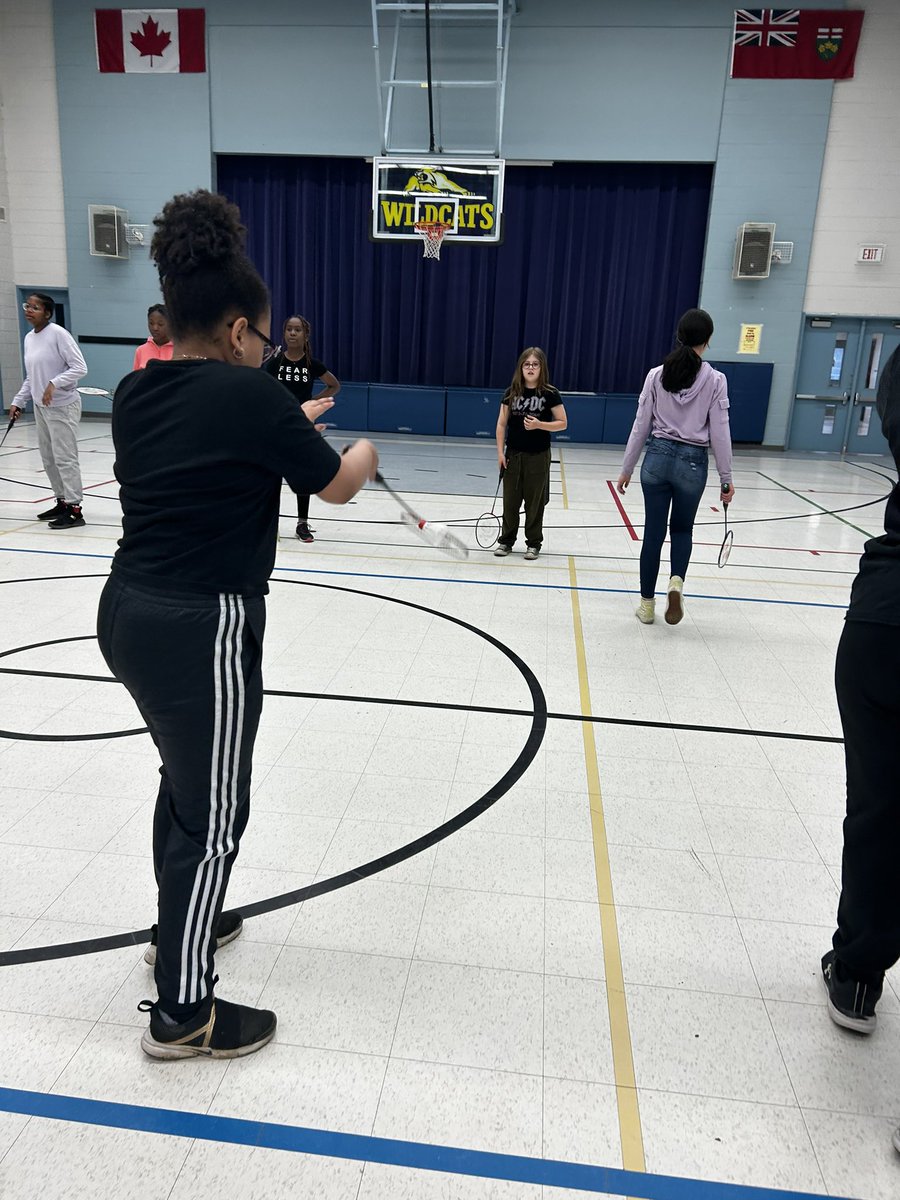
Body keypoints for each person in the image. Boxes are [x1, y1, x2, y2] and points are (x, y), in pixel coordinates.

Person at [96, 189, 378, 1060]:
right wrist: (360, 451)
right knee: (216, 812)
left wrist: (283, 421)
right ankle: (184, 1013)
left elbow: (213, 431)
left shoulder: (138, 393)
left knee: (183, 787)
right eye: (258, 336)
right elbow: (335, 483)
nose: (263, 348)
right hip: (201, 626)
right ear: (234, 330)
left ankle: (182, 925)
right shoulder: (252, 401)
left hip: (128, 614)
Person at [822, 345, 900, 1071]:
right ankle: (857, 967)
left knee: (877, 807)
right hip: (887, 614)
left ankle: (857, 972)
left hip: (886, 614)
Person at [616, 308, 734, 625]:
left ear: (678, 336)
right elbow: (721, 434)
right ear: (707, 340)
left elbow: (641, 425)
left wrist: (627, 468)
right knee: (682, 529)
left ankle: (645, 605)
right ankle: (676, 582)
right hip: (692, 465)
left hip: (656, 459)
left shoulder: (656, 375)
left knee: (653, 534)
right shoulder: (716, 381)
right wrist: (726, 479)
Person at [9, 293, 88, 529]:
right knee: (49, 458)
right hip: (40, 407)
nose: (29, 310)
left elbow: (80, 367)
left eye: (35, 307)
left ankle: (75, 510)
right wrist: (18, 401)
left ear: (47, 313)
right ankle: (62, 501)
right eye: (27, 306)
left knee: (65, 458)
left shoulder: (59, 335)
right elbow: (32, 377)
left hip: (63, 405)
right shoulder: (29, 339)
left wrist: (55, 382)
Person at [264, 315, 341, 542]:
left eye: (298, 330)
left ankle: (302, 523)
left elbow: (334, 385)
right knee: (272, 476)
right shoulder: (275, 363)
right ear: (284, 333)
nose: (293, 333)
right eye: (289, 329)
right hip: (278, 425)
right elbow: (263, 385)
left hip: (302, 426)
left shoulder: (312, 364)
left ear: (305, 335)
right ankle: (270, 524)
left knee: (302, 476)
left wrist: (313, 402)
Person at [494, 347, 567, 560]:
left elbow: (563, 423)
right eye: (527, 364)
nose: (531, 368)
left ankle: (533, 543)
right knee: (510, 502)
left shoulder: (550, 393)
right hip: (513, 456)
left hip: (538, 457)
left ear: (541, 367)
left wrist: (539, 424)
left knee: (534, 503)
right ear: (521, 367)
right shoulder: (511, 392)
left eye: (535, 364)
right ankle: (506, 541)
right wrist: (500, 453)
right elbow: (501, 424)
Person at [133, 303, 174, 369]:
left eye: (160, 324)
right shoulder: (140, 350)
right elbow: (136, 377)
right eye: (151, 323)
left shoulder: (178, 350)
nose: (155, 328)